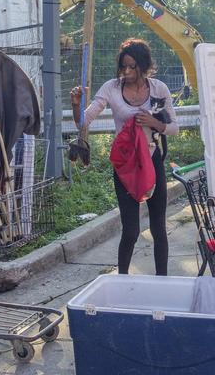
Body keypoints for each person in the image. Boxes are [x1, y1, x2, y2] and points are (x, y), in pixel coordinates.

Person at [70, 38, 179, 276]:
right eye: (123, 67)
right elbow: (83, 122)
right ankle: (121, 280)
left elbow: (173, 128)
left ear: (144, 65)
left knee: (158, 228)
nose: (127, 72)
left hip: (152, 160)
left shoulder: (158, 89)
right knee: (130, 230)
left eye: (132, 67)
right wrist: (76, 105)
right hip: (126, 166)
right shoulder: (111, 88)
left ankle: (163, 281)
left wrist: (153, 122)